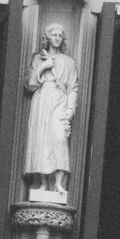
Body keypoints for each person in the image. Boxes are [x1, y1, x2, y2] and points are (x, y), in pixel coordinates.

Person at [24, 24, 78, 195]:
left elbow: (73, 88)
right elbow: (30, 85)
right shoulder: (38, 58)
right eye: (53, 35)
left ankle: (58, 183)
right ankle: (42, 183)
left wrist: (70, 109)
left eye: (60, 35)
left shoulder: (68, 62)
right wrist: (43, 66)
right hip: (42, 100)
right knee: (42, 140)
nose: (56, 37)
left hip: (60, 100)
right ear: (47, 38)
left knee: (59, 138)